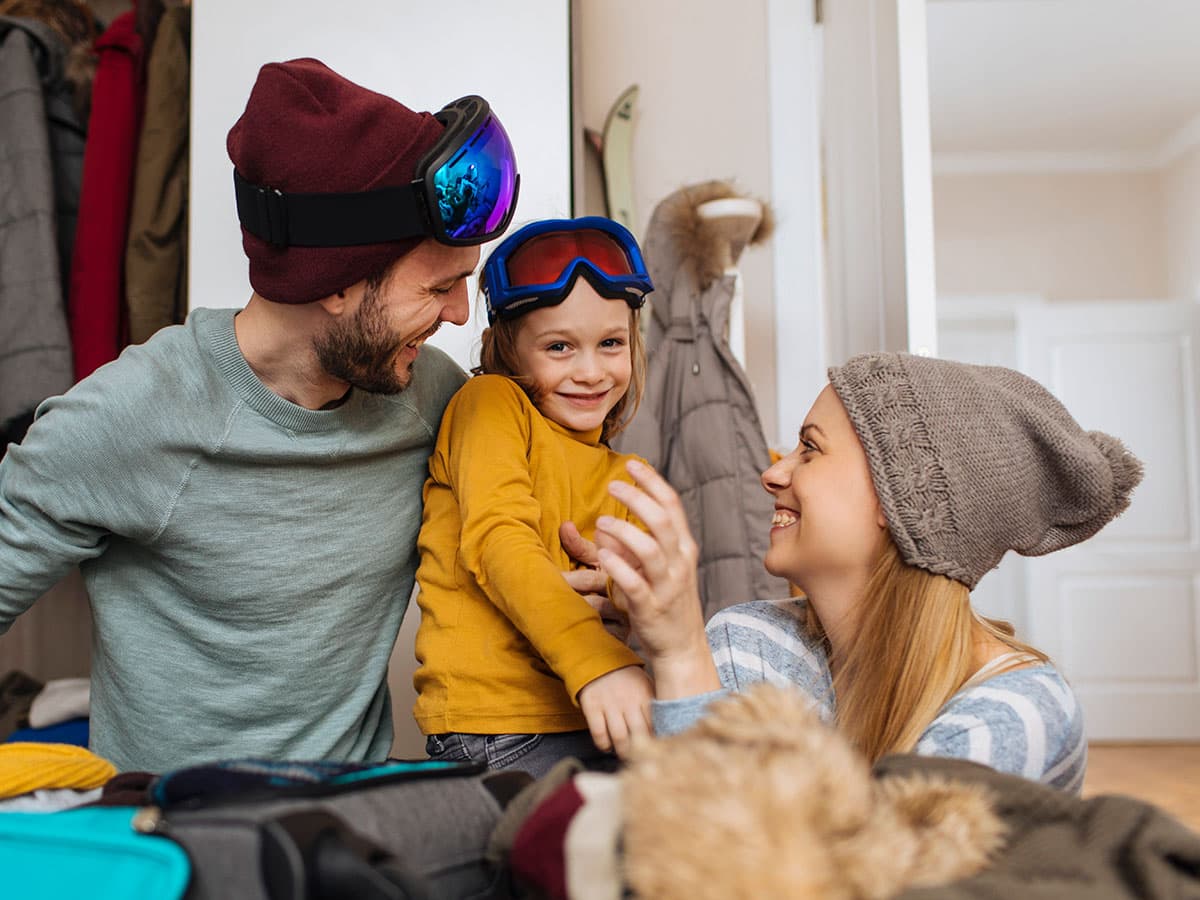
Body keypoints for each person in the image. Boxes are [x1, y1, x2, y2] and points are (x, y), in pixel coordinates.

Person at [0, 58, 522, 773]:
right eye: (440, 286)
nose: (461, 313)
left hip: (348, 834)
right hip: (176, 848)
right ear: (336, 285)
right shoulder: (136, 413)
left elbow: (516, 522)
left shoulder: (431, 396)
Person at [585, 353, 1144, 793]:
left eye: (810, 450)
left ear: (895, 501)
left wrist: (683, 656)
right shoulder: (752, 639)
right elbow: (688, 847)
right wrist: (650, 654)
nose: (772, 473)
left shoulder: (1015, 715)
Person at [414, 217, 656, 778]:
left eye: (611, 343)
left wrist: (618, 594)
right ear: (509, 349)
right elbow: (500, 540)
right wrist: (596, 658)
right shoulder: (491, 404)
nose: (591, 371)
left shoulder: (629, 471)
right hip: (500, 728)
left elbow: (639, 598)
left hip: (595, 713)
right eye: (559, 347)